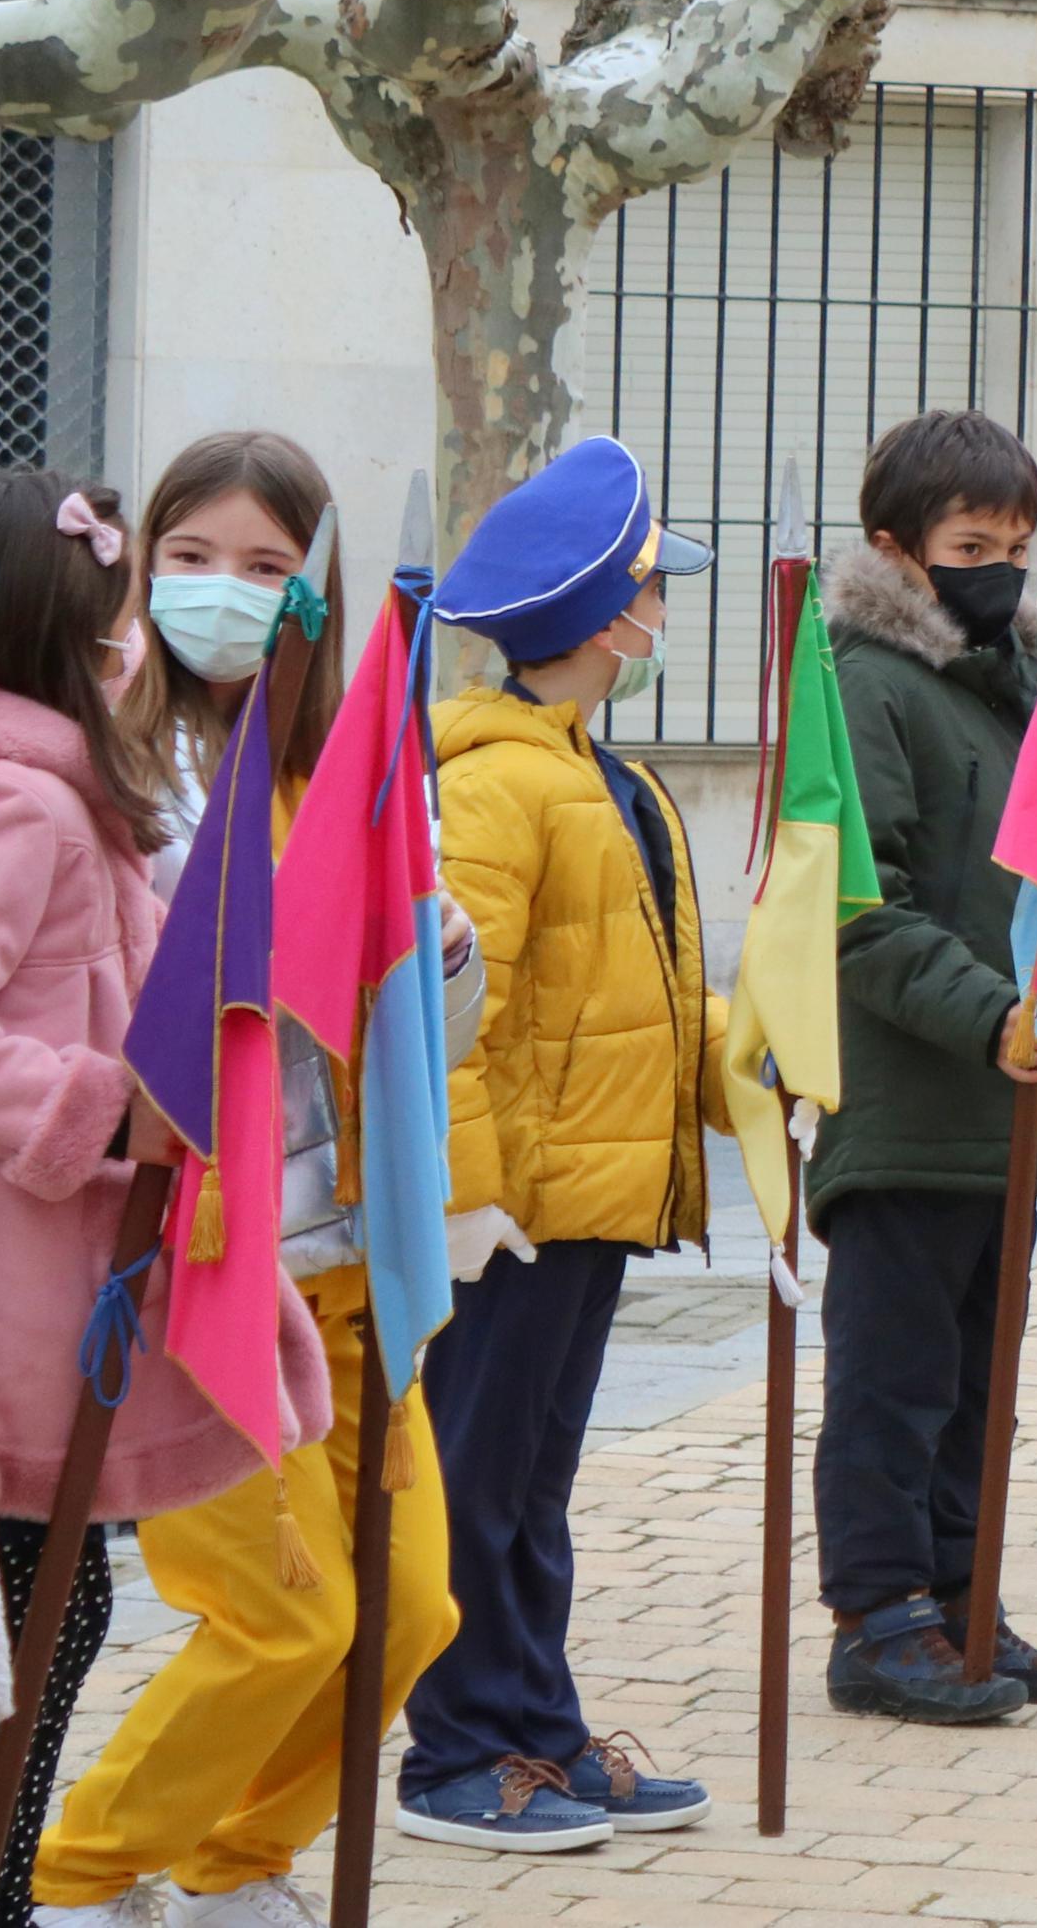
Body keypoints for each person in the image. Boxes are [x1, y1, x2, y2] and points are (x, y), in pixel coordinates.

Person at [34, 436, 469, 1928]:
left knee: (411, 1612)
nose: (227, 591)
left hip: (352, 1257)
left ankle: (234, 1862)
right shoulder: (103, 773)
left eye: (270, 566)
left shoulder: (344, 768)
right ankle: (79, 1870)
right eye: (194, 557)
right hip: (201, 1262)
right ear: (138, 570)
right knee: (286, 1615)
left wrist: (431, 947)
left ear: (316, 592)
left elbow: (415, 1032)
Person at [0, 474, 330, 1928]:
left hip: (62, 1298)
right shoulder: (28, 803)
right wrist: (99, 1104)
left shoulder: (79, 794)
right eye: (118, 599)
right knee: (38, 1636)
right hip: (21, 1293)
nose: (136, 631)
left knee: (54, 1626)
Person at [406, 436, 727, 1849]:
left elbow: (635, 988)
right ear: (606, 618)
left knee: (531, 1483)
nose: (665, 612)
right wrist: (468, 1194)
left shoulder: (613, 775)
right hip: (516, 1205)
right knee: (474, 1482)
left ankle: (537, 1723)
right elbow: (445, 1009)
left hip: (593, 1194)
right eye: (654, 589)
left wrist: (746, 1057)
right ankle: (457, 1752)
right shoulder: (493, 782)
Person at [807, 409, 1037, 1727]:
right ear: (896, 550)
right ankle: (879, 1617)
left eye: (1018, 542)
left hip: (1004, 1105)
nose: (1000, 565)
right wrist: (994, 1011)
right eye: (970, 543)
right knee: (893, 1380)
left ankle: (961, 1593)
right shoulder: (863, 683)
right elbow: (855, 906)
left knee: (977, 1380)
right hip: (912, 1101)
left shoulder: (1018, 686)